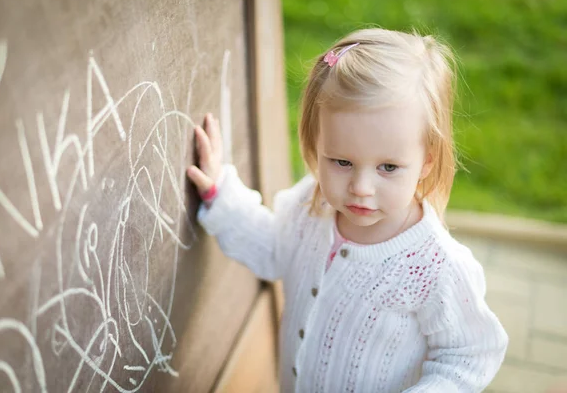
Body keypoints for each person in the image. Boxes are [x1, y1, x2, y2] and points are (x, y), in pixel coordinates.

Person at [186, 28, 508, 392]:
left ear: (426, 162)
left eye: (388, 167)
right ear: (315, 143)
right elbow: (273, 248)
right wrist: (220, 194)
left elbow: (468, 354)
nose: (361, 188)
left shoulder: (435, 266)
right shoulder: (314, 206)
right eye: (341, 161)